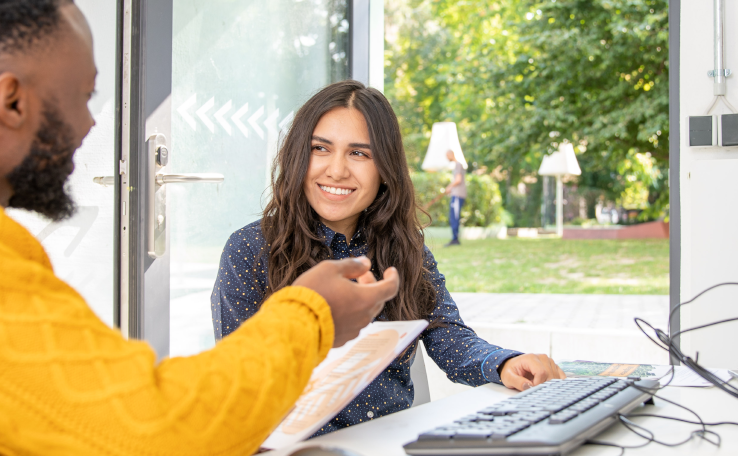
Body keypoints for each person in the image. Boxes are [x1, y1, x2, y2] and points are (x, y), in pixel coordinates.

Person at [0, 1, 400, 454]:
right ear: (12, 100)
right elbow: (160, 432)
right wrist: (311, 314)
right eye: (82, 95)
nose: (87, 125)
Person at [211, 80, 565, 436]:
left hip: (393, 441)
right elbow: (237, 385)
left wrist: (506, 363)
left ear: (385, 170)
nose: (336, 170)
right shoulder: (250, 250)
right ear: (298, 155)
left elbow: (446, 334)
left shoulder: (406, 247)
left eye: (359, 153)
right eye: (320, 148)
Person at [443, 149, 467, 246]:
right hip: (456, 194)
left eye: (447, 156)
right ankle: (454, 238)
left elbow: (458, 180)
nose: (446, 158)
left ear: (450, 155)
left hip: (458, 195)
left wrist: (449, 187)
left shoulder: (458, 165)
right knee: (453, 216)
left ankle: (455, 239)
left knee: (454, 216)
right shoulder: (458, 165)